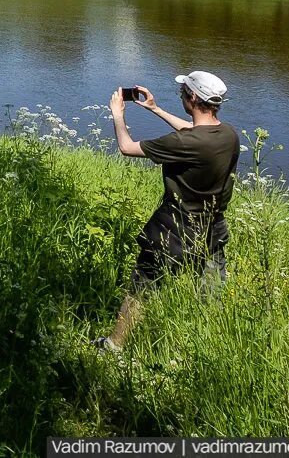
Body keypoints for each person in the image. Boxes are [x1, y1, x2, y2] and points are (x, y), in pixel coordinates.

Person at [96, 70, 240, 352]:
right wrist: (155, 109)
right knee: (211, 296)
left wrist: (118, 113)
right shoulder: (228, 135)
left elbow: (126, 147)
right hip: (212, 230)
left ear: (193, 98)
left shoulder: (184, 143)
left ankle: (113, 346)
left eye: (182, 93)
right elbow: (193, 132)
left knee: (141, 289)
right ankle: (207, 351)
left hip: (173, 232)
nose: (181, 97)